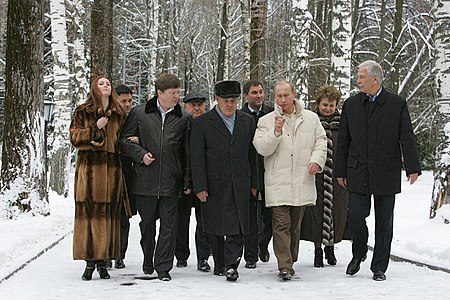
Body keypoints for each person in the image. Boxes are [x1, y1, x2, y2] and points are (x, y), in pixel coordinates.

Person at [335, 60, 421, 281]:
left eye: (361, 77)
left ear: (376, 79)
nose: (358, 80)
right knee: (355, 214)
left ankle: (379, 266)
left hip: (386, 170)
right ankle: (359, 253)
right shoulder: (351, 104)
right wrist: (340, 171)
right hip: (358, 170)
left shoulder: (397, 104)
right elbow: (343, 140)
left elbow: (407, 137)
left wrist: (412, 166)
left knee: (384, 222)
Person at [253, 80, 327, 281]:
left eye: (286, 95)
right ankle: (284, 265)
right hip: (278, 181)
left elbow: (321, 141)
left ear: (293, 94)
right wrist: (275, 132)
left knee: (295, 226)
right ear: (274, 97)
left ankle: (290, 258)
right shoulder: (266, 121)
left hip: (302, 179)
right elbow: (261, 148)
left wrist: (316, 162)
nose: (283, 99)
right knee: (281, 224)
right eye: (279, 96)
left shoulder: (311, 119)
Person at [119, 73, 190, 281]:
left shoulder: (184, 117)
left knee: (169, 226)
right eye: (172, 93)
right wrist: (141, 154)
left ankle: (163, 267)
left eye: (178, 92)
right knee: (147, 224)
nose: (177, 96)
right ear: (160, 93)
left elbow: (187, 153)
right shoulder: (139, 113)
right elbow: (124, 140)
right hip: (145, 181)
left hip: (171, 180)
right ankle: (148, 259)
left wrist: (186, 181)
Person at [190, 80, 256, 282]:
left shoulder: (247, 121)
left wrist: (255, 183)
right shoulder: (202, 123)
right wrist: (199, 186)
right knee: (215, 224)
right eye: (226, 100)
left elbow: (252, 154)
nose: (230, 104)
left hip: (240, 182)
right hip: (214, 183)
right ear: (216, 99)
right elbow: (197, 157)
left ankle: (231, 265)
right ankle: (219, 263)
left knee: (237, 224)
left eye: (234, 100)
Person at [70, 76, 131, 281]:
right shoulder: (82, 110)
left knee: (109, 216)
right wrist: (95, 128)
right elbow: (74, 138)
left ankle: (104, 262)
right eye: (101, 83)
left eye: (108, 83)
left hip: (111, 171)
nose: (106, 86)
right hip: (90, 171)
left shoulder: (118, 114)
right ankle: (89, 263)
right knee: (89, 216)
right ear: (94, 88)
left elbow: (122, 138)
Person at [300, 85, 349, 268]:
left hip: (337, 176)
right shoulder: (310, 121)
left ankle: (331, 247)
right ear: (318, 104)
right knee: (315, 213)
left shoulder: (343, 123)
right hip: (316, 175)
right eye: (324, 105)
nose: (328, 108)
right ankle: (318, 249)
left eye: (331, 105)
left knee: (336, 211)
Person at [175, 92, 211, 272]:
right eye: (193, 105)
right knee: (181, 220)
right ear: (185, 106)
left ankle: (203, 257)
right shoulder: (179, 124)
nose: (197, 108)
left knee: (204, 220)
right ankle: (181, 255)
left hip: (204, 180)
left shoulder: (210, 124)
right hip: (182, 179)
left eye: (200, 105)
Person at [240, 79, 274, 269]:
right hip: (249, 170)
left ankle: (263, 244)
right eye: (254, 92)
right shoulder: (240, 115)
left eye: (261, 92)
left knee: (268, 213)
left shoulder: (271, 113)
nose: (259, 95)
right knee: (251, 215)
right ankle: (250, 254)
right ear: (246, 96)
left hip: (269, 168)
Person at [114, 84, 137, 269]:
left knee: (124, 216)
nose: (128, 104)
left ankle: (120, 254)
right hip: (110, 171)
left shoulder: (135, 117)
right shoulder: (110, 118)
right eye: (124, 101)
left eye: (130, 101)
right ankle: (107, 253)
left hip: (128, 172)